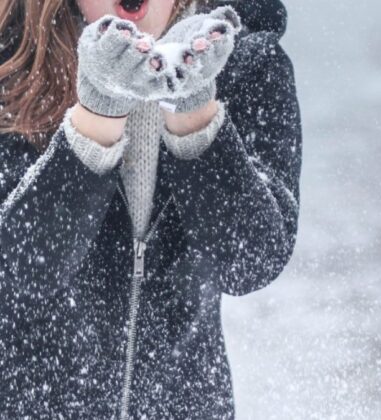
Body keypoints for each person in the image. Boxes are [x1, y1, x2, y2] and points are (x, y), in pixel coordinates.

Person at [0, 0, 302, 418]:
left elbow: (251, 261)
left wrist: (194, 109)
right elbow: (16, 272)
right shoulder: (11, 60)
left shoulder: (249, 64)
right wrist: (98, 114)